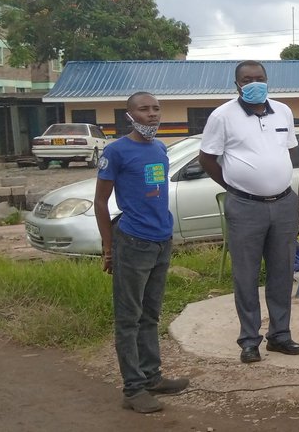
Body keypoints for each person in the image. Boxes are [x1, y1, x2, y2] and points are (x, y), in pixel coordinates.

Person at [198, 60, 299, 363]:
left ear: (267, 80)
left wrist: (272, 175)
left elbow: (288, 149)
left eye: (259, 78)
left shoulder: (283, 111)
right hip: (245, 207)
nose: (254, 83)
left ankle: (280, 335)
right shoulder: (222, 116)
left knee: (282, 272)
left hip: (283, 204)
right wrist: (234, 186)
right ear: (237, 85)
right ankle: (249, 341)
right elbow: (206, 159)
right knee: (246, 275)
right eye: (247, 80)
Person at [94, 92, 189, 413]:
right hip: (133, 242)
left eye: (156, 109)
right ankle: (133, 390)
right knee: (128, 318)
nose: (152, 114)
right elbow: (100, 202)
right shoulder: (116, 151)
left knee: (150, 315)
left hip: (162, 239)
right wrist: (108, 248)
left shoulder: (160, 148)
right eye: (144, 109)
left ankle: (152, 377)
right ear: (129, 115)